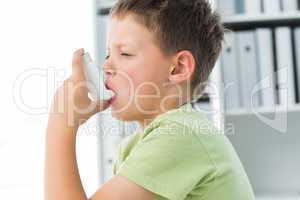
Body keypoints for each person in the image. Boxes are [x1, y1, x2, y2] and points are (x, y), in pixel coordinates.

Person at [45, 0, 255, 199]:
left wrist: (61, 124)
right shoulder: (137, 145)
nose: (107, 67)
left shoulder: (181, 135)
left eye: (125, 54)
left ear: (178, 68)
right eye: (108, 55)